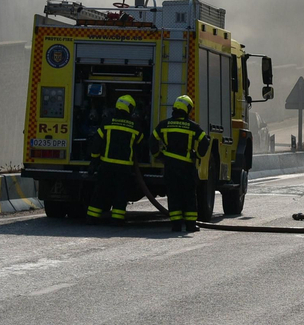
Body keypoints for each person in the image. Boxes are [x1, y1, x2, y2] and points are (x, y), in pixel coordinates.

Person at [155, 95, 211, 233]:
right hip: (186, 167)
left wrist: (158, 156)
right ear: (187, 110)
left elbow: (152, 140)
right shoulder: (193, 127)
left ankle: (176, 225)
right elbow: (205, 141)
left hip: (170, 167)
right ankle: (191, 225)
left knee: (173, 195)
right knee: (189, 196)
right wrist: (197, 155)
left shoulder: (164, 125)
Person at [87, 94, 145, 226]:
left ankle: (91, 217)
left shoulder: (107, 123)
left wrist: (93, 163)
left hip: (106, 166)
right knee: (121, 193)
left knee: (100, 192)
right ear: (130, 108)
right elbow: (141, 145)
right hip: (124, 168)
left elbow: (96, 143)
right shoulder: (135, 127)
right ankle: (117, 219)